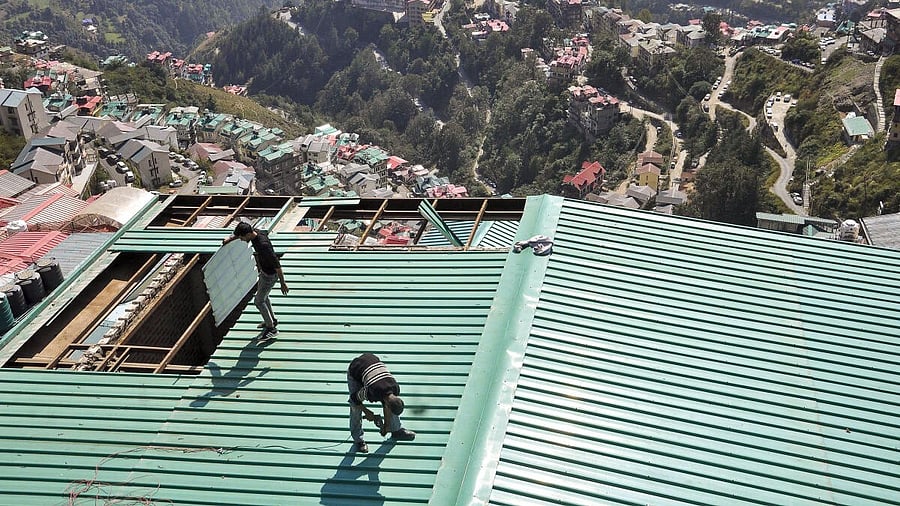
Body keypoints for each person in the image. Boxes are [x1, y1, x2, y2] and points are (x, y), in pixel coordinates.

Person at [222, 222, 288, 340]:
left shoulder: (263, 246)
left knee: (258, 301)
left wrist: (283, 283)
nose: (241, 240)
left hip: (270, 275)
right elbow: (241, 233)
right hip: (264, 272)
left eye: (242, 238)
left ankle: (271, 329)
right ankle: (272, 320)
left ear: (247, 234)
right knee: (264, 297)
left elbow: (277, 265)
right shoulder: (255, 231)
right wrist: (229, 239)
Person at [347, 353, 415, 453]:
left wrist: (386, 427)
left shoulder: (395, 388)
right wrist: (367, 412)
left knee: (392, 408)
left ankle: (395, 430)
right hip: (356, 370)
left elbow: (387, 406)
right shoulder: (372, 391)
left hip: (372, 365)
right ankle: (358, 440)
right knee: (355, 407)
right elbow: (354, 399)